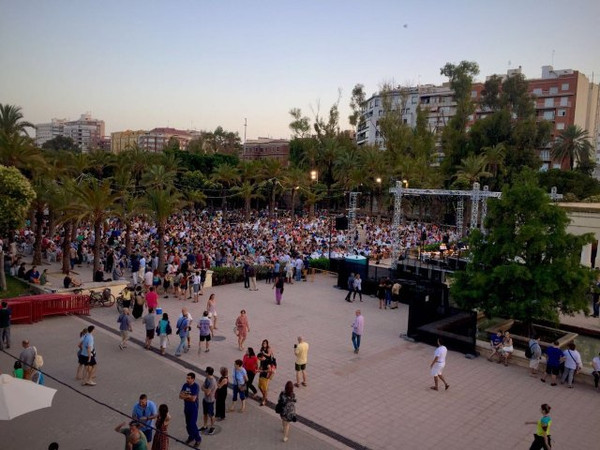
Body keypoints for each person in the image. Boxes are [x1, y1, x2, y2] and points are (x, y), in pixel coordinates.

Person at [179, 372, 202, 448]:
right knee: (188, 424)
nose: (187, 379)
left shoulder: (195, 386)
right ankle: (191, 436)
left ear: (193, 379)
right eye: (187, 378)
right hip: (187, 408)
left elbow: (193, 399)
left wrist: (185, 396)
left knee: (192, 424)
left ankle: (198, 439)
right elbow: (180, 396)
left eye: (189, 378)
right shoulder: (185, 385)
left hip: (193, 408)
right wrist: (188, 396)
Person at [200, 366, 217, 435]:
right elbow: (202, 387)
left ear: (207, 372)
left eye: (206, 372)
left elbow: (207, 392)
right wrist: (205, 389)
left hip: (210, 400)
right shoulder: (207, 378)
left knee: (211, 415)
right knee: (205, 413)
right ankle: (205, 426)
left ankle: (212, 427)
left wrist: (204, 389)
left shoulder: (212, 381)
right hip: (205, 399)